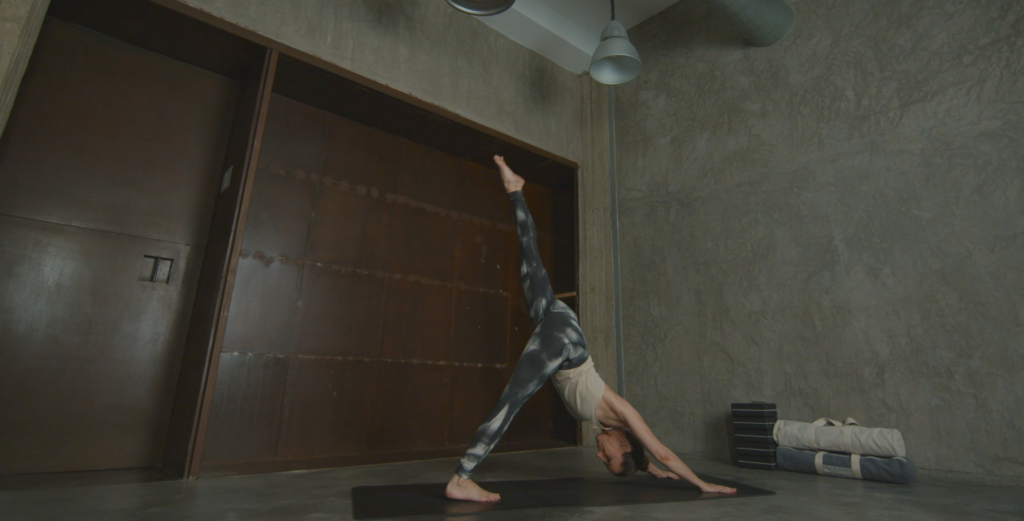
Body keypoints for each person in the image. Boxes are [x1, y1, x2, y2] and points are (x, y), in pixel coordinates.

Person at [445, 156, 738, 502]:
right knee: (512, 400)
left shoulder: (616, 430)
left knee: (530, 257)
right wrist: (701, 484)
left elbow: (648, 458)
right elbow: (662, 451)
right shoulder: (624, 413)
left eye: (602, 461)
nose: (599, 455)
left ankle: (515, 191)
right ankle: (461, 479)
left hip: (559, 321)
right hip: (564, 344)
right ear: (624, 445)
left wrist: (651, 470)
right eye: (607, 458)